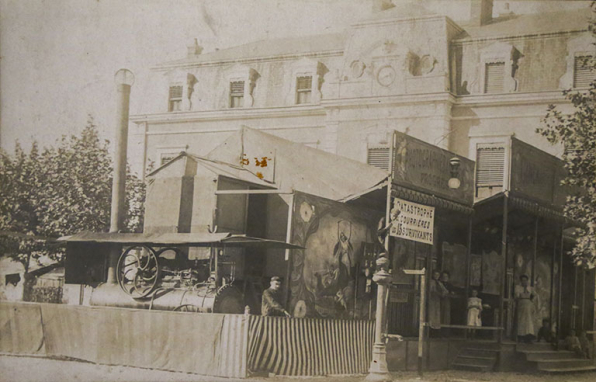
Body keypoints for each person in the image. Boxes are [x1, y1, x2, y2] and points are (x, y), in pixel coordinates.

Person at [514, 275, 535, 343]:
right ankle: (521, 336)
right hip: (521, 304)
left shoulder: (530, 288)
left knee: (529, 320)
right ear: (521, 281)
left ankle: (528, 336)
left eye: (525, 280)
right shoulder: (518, 288)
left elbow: (534, 296)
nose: (524, 282)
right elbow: (517, 296)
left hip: (529, 305)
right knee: (522, 320)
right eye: (523, 280)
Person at [429, 270, 447, 335]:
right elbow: (431, 290)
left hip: (437, 300)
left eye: (438, 275)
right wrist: (437, 293)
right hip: (431, 300)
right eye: (435, 275)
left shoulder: (439, 283)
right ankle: (430, 330)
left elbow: (445, 291)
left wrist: (442, 294)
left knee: (437, 315)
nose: (436, 276)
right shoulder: (431, 282)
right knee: (432, 314)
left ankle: (436, 331)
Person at [439, 271, 456, 336]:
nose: (444, 278)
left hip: (447, 301)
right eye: (443, 276)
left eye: (446, 276)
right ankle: (439, 332)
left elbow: (452, 292)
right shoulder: (439, 284)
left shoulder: (450, 285)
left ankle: (446, 333)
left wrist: (451, 293)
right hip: (440, 301)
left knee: (446, 317)